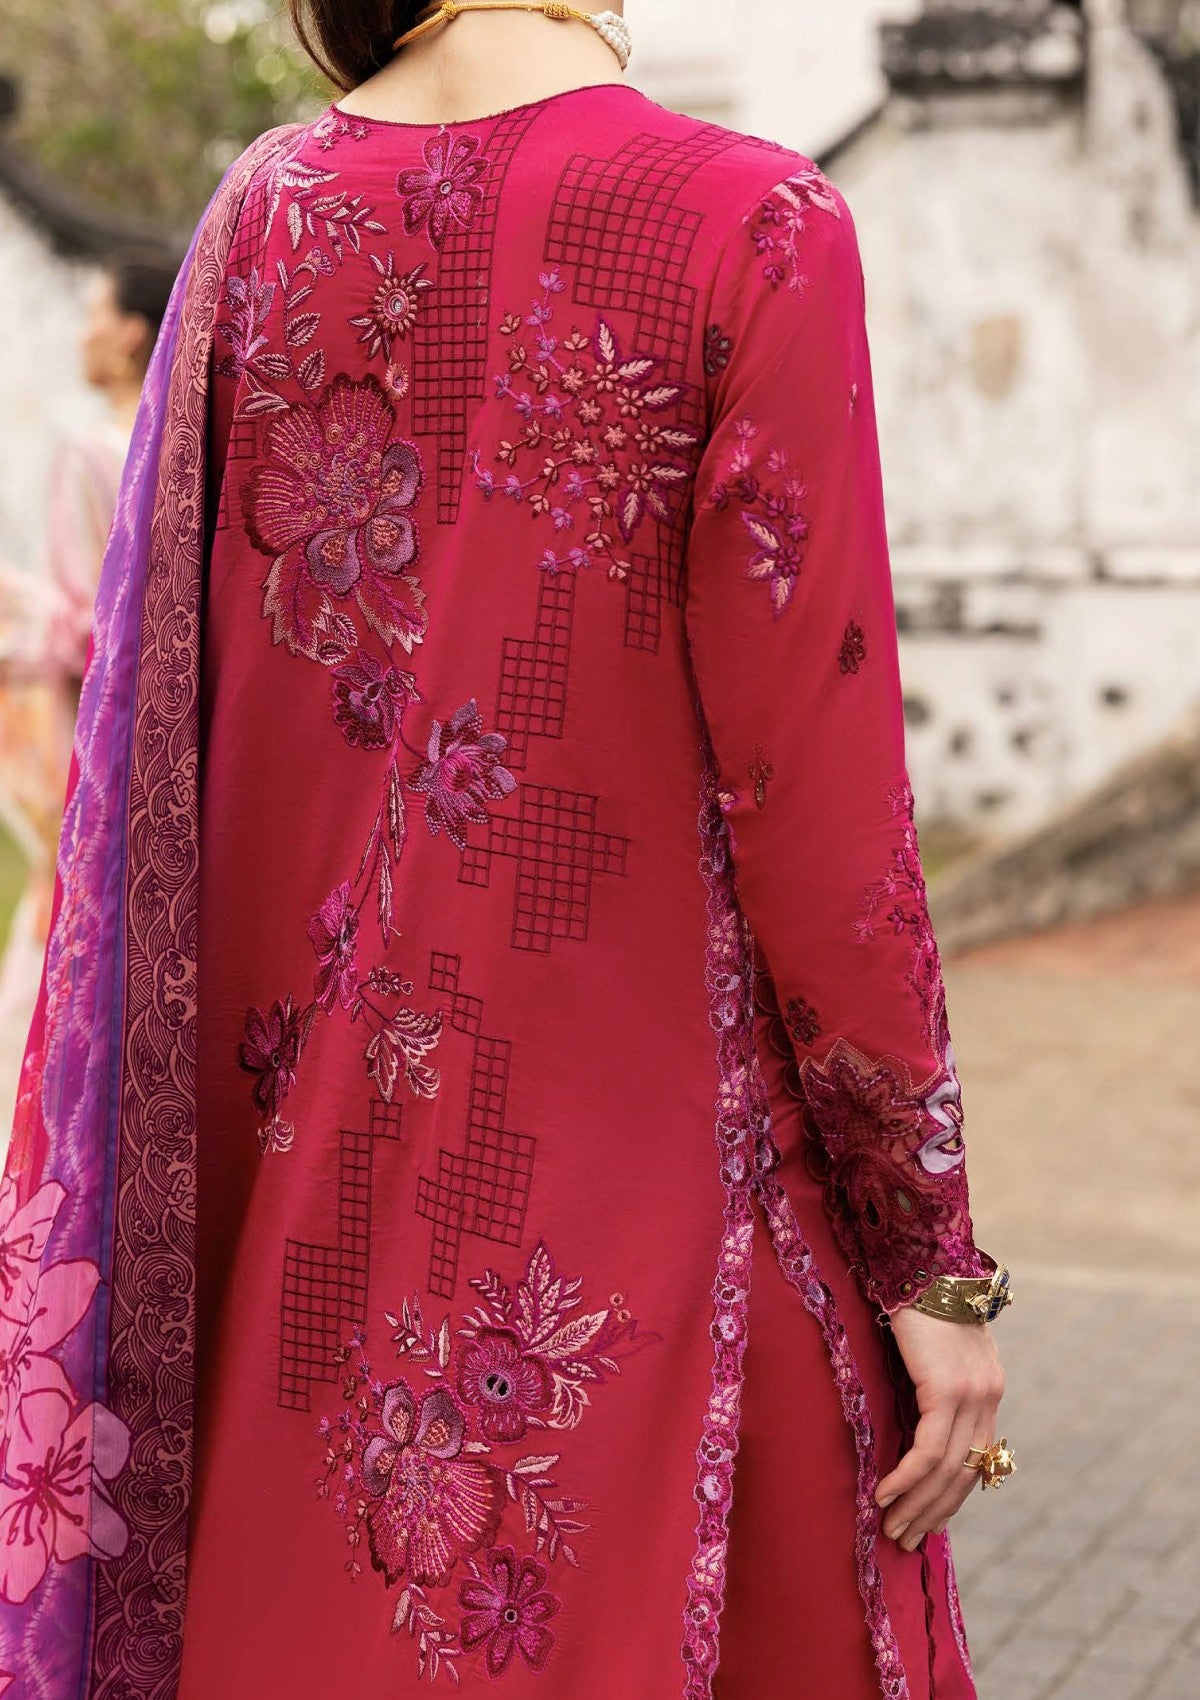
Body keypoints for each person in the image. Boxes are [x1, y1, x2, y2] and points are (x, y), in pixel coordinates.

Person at [0, 4, 1013, 1696]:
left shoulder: (264, 217)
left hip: (295, 1275)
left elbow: (194, 769)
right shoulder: (749, 222)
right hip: (671, 1263)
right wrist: (934, 1265)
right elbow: (822, 803)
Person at [0, 251, 175, 1136]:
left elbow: (84, 628)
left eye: (96, 313)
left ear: (132, 333)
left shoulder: (91, 451)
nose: (83, 333)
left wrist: (16, 624)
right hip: (170, 731)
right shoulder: (181, 447)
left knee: (60, 950)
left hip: (99, 738)